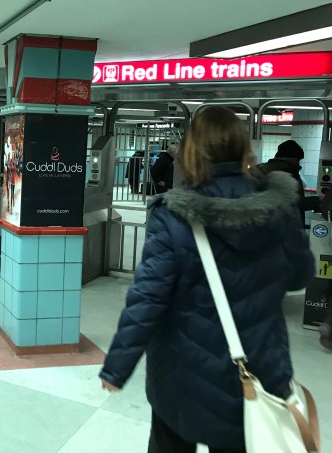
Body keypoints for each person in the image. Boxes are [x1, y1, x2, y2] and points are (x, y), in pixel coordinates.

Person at [99, 106, 315, 453]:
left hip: (182, 374)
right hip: (256, 367)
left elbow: (148, 297)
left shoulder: (172, 214)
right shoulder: (279, 207)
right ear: (243, 147)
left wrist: (116, 368)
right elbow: (300, 276)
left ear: (191, 150)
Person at [257, 139, 321, 225]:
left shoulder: (259, 169)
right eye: (298, 160)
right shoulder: (287, 173)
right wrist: (319, 200)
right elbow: (292, 203)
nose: (299, 164)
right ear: (293, 158)